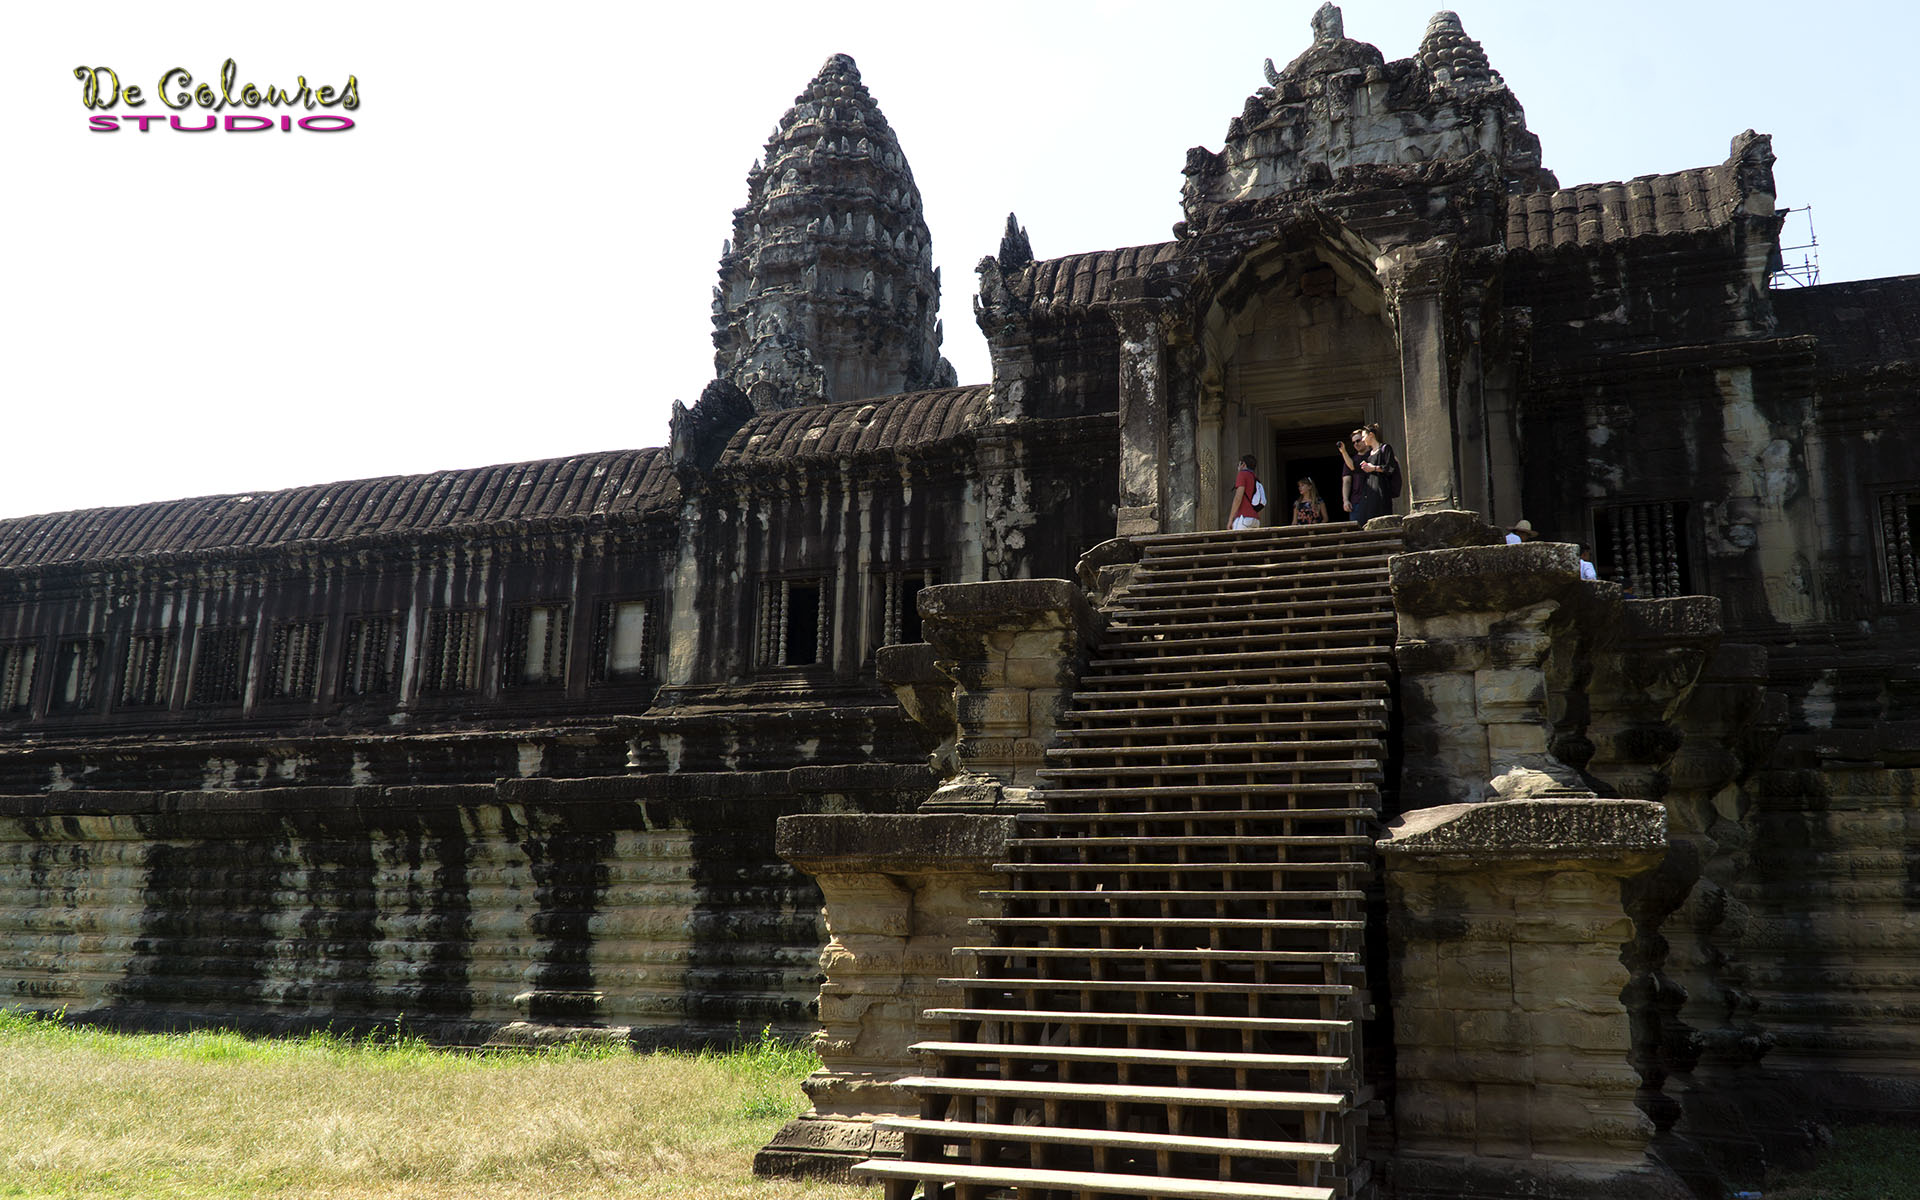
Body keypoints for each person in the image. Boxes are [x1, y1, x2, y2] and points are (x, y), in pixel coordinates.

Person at [1349, 423, 1398, 524]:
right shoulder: (1370, 454)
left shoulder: (1385, 448)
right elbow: (1353, 468)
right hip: (1370, 493)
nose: (1362, 439)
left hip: (1382, 491)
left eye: (1363, 436)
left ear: (1371, 435)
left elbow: (1390, 467)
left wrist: (1373, 468)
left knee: (1382, 519)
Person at [1335, 429, 1365, 519]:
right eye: (1353, 442)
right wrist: (1346, 500)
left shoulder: (1374, 455)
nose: (1356, 444)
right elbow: (1346, 481)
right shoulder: (1350, 461)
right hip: (1357, 501)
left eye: (1358, 441)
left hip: (1373, 498)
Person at [1227, 453, 1261, 530]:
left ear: (1243, 464)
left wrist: (1230, 520)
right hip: (1255, 519)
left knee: (1236, 541)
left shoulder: (1242, 475)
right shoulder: (1256, 479)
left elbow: (1238, 498)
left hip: (1243, 518)